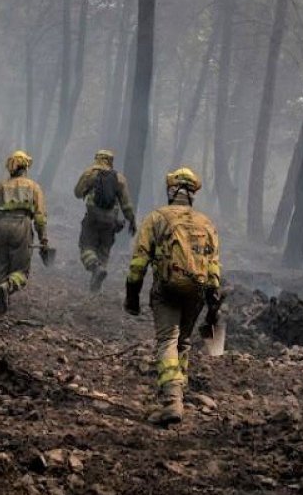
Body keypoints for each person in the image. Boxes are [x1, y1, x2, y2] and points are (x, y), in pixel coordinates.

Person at [124, 167, 222, 426]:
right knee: (184, 341)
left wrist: (132, 295)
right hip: (198, 292)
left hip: (167, 289)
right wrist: (212, 301)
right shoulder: (206, 223)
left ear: (171, 191)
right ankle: (179, 392)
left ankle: (172, 402)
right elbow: (213, 266)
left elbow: (139, 262)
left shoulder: (157, 218)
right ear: (192, 194)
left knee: (168, 339)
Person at [0, 150, 48, 315]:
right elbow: (39, 217)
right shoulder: (34, 187)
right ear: (25, 167)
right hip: (21, 226)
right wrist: (44, 239)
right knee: (21, 272)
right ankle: (7, 287)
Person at [73, 149, 137, 292]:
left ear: (97, 159)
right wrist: (131, 220)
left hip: (92, 217)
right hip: (110, 221)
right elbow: (126, 203)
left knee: (86, 246)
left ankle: (95, 268)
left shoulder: (90, 173)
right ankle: (97, 285)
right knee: (104, 250)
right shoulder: (119, 178)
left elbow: (77, 193)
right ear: (111, 161)